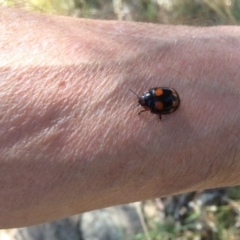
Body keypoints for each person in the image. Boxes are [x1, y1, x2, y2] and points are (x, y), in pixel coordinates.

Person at [0, 7, 240, 229]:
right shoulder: (152, 99)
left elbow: (164, 102)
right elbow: (164, 99)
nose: (144, 100)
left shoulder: (150, 102)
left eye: (144, 99)